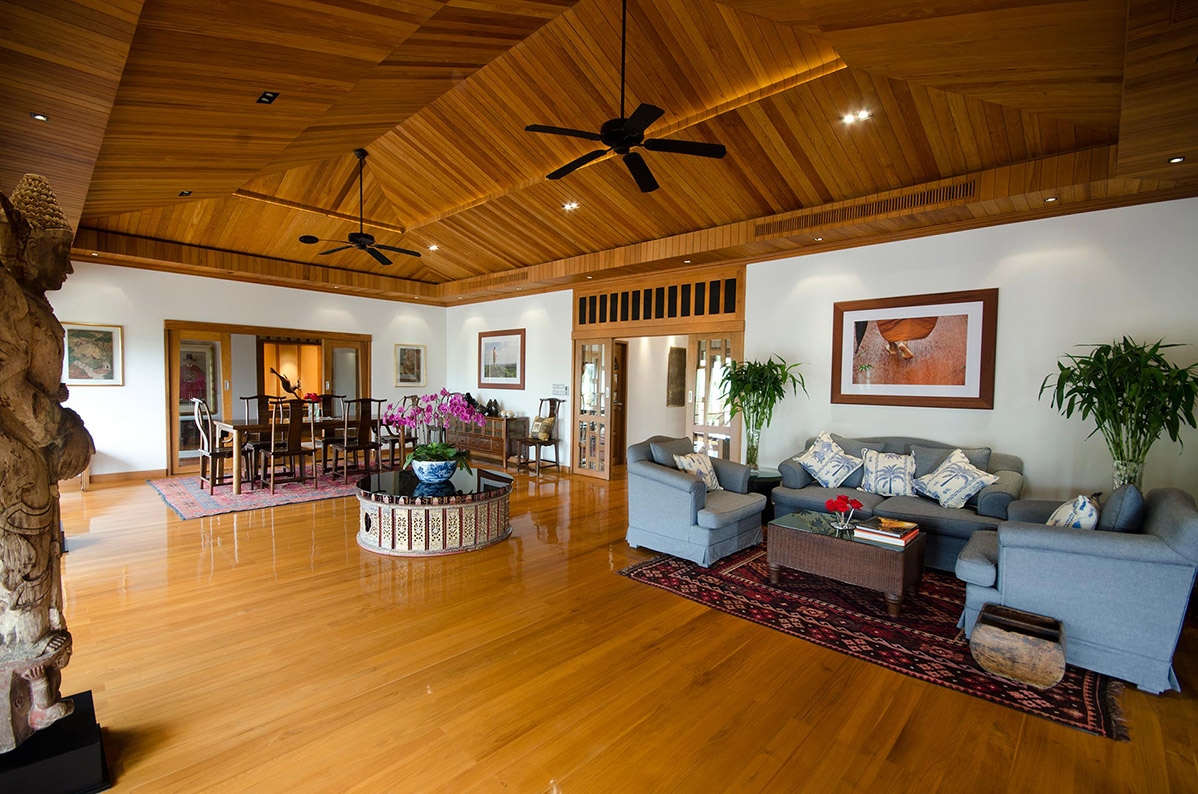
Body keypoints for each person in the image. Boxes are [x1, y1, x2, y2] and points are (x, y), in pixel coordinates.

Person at [0, 175, 94, 750]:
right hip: (16, 460)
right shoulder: (8, 298)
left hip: (35, 455)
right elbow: (10, 387)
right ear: (30, 246)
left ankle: (37, 694)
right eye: (61, 249)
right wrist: (62, 428)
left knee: (36, 565)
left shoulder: (27, 301)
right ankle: (30, 698)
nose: (68, 265)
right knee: (24, 569)